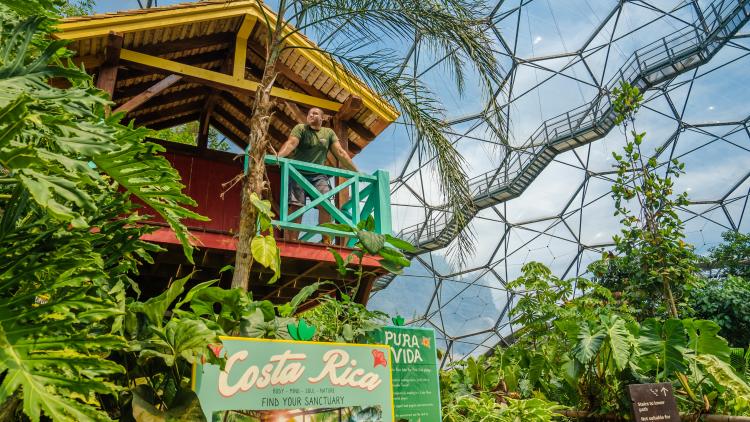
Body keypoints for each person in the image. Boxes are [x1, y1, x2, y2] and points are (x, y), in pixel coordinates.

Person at [276, 107, 358, 242]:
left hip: (318, 176)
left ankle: (326, 240)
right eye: (309, 114)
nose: (311, 115)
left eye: (315, 113)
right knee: (297, 206)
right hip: (298, 173)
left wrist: (355, 171)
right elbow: (291, 143)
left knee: (325, 204)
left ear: (322, 118)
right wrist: (279, 156)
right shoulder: (301, 128)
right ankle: (292, 240)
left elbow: (341, 152)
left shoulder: (328, 133)